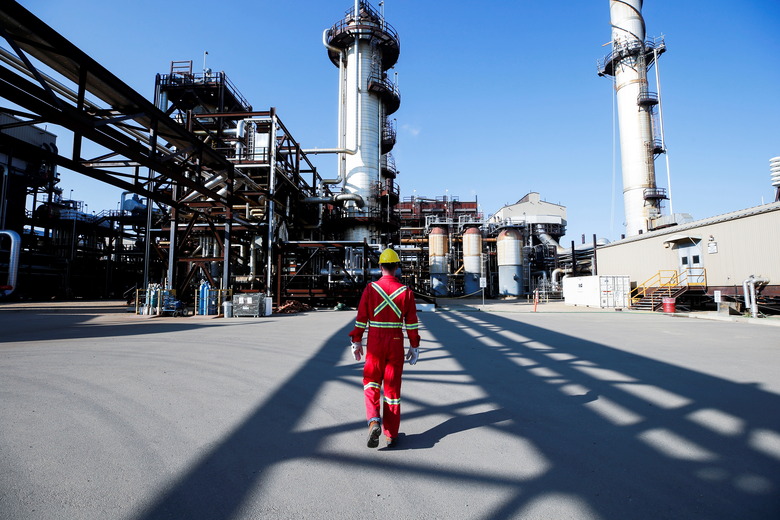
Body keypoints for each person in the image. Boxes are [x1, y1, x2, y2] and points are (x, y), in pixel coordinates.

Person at [349, 248, 420, 448]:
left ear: (380, 267)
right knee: (392, 389)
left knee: (371, 382)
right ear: (397, 268)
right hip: (396, 342)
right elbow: (412, 323)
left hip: (375, 343)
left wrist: (356, 341)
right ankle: (391, 434)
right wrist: (414, 345)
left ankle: (373, 421)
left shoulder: (370, 289)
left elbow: (361, 319)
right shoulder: (406, 292)